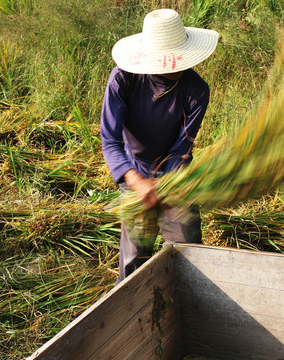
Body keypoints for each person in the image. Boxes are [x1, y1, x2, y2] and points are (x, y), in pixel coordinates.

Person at [100, 9, 219, 282]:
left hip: (176, 178)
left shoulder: (196, 89)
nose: (178, 66)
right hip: (134, 172)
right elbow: (110, 139)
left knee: (187, 251)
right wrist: (138, 182)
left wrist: (165, 184)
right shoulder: (124, 79)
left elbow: (181, 148)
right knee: (134, 259)